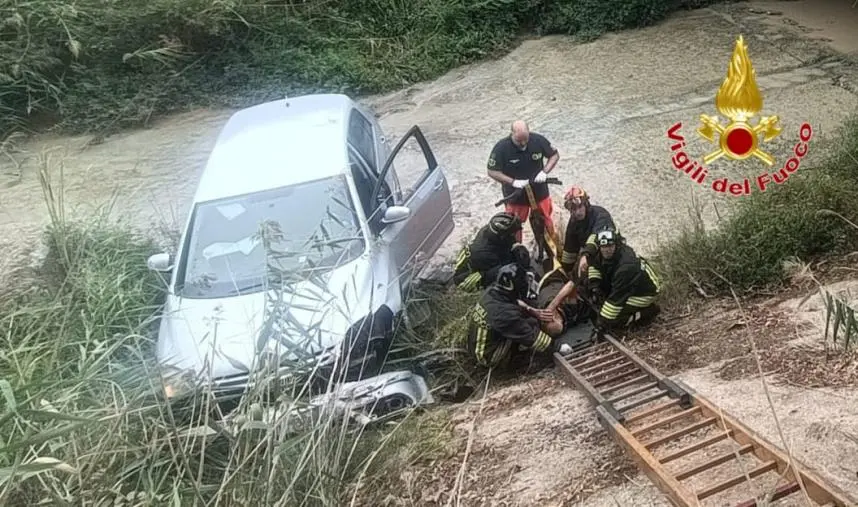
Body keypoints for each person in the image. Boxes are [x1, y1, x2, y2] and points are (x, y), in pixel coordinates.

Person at [466, 263, 557, 368]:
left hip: (477, 346)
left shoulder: (491, 292)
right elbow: (532, 337)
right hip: (487, 356)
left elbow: (514, 301)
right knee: (531, 328)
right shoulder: (504, 314)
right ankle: (515, 362)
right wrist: (557, 347)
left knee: (526, 320)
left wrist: (530, 309)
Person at [486, 120, 560, 244]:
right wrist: (513, 182)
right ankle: (515, 251)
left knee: (545, 220)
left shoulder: (538, 140)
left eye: (525, 139)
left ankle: (551, 246)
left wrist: (544, 171)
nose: (523, 143)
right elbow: (492, 171)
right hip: (516, 195)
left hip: (539, 190)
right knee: (513, 226)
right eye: (519, 141)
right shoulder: (501, 148)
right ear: (511, 134)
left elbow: (554, 155)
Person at [586, 226, 662, 333]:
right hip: (624, 285)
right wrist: (594, 286)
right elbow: (595, 266)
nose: (607, 250)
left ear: (617, 244)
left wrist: (602, 323)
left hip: (644, 292)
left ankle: (648, 312)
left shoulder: (626, 266)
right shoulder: (601, 254)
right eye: (603, 246)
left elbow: (615, 301)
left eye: (610, 245)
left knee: (615, 321)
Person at [453, 212, 529, 291]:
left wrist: (517, 248)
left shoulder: (489, 231)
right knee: (507, 270)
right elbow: (506, 265)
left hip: (483, 263)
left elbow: (508, 245)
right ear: (502, 236)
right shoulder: (485, 253)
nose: (513, 236)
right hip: (467, 278)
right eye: (512, 234)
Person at [559, 185, 617, 281]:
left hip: (610, 254)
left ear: (586, 204)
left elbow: (598, 236)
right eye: (573, 209)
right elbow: (570, 249)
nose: (578, 212)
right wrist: (565, 272)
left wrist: (586, 255)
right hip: (590, 256)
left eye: (580, 206)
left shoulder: (601, 215)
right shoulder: (574, 222)